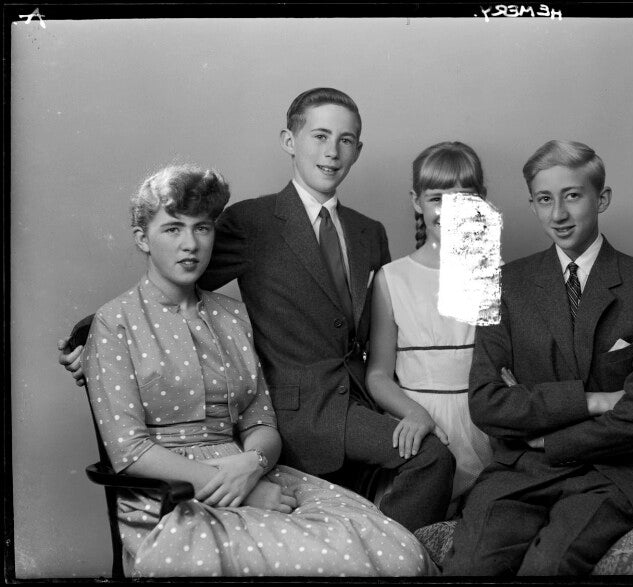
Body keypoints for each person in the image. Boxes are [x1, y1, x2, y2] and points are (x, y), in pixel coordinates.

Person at [60, 88, 454, 532]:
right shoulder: (253, 223)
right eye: (319, 136)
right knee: (431, 461)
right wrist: (89, 337)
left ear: (358, 150)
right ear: (289, 141)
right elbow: (176, 276)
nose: (332, 152)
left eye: (346, 140)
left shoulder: (369, 233)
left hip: (360, 402)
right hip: (293, 413)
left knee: (411, 468)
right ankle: (392, 555)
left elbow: (384, 326)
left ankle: (383, 552)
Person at [81, 164, 436, 577]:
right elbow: (129, 450)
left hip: (252, 468)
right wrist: (236, 487)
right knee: (338, 561)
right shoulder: (115, 323)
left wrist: (252, 465)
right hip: (170, 496)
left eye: (202, 228)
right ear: (143, 239)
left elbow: (261, 420)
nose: (190, 244)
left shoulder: (233, 317)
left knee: (397, 552)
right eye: (173, 229)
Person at [442, 140, 633, 576]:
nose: (558, 215)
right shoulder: (505, 284)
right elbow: (488, 404)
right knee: (472, 565)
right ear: (532, 205)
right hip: (518, 473)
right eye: (544, 199)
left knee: (549, 565)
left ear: (601, 198)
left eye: (572, 196)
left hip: (609, 475)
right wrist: (594, 400)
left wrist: (548, 437)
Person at [366, 142, 493, 518]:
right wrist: (415, 413)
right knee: (411, 527)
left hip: (482, 422)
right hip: (417, 421)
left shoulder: (498, 278)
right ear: (416, 202)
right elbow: (377, 374)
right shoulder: (392, 279)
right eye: (437, 198)